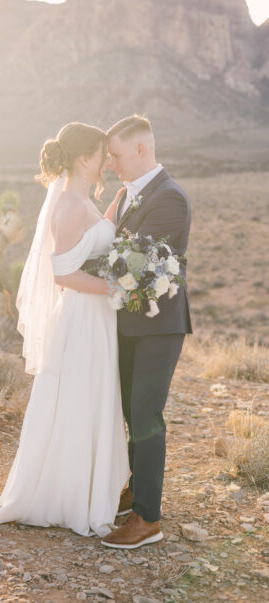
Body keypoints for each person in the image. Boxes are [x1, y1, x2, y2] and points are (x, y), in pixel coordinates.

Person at [0, 122, 130, 537]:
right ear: (84, 159)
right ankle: (70, 494)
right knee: (78, 398)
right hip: (81, 316)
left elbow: (91, 241)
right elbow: (63, 274)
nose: (106, 162)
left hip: (95, 316)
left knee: (92, 395)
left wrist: (113, 210)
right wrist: (116, 287)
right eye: (102, 155)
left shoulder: (82, 200)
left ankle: (93, 487)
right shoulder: (68, 204)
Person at [97, 115, 192, 549]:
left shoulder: (169, 198)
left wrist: (77, 266)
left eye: (116, 155)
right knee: (132, 414)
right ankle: (137, 491)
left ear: (141, 149)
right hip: (129, 322)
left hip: (157, 327)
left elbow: (134, 264)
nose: (112, 163)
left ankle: (147, 520)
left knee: (146, 416)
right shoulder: (133, 195)